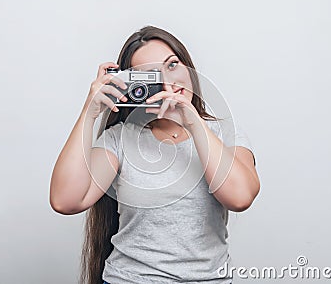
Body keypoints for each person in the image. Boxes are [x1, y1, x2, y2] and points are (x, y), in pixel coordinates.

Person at [50, 26, 260, 284]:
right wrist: (89, 112)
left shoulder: (225, 134)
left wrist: (192, 121)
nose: (166, 81)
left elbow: (240, 197)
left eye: (172, 65)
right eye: (151, 75)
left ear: (188, 67)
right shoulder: (121, 139)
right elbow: (66, 200)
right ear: (134, 86)